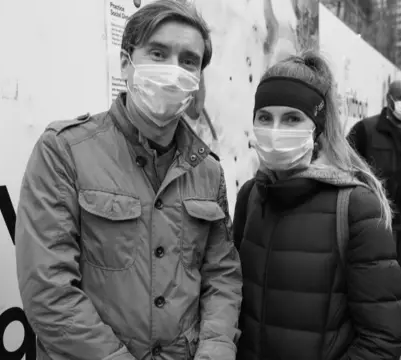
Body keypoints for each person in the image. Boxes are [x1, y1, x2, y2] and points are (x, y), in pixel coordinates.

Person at [14, 2, 242, 359]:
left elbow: (222, 275)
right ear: (126, 62)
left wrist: (215, 348)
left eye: (188, 60)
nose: (173, 70)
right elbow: (48, 290)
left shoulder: (208, 171)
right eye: (157, 53)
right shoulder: (65, 151)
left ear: (198, 78)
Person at [233, 52, 401, 360]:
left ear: (318, 128)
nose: (275, 130)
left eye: (292, 118)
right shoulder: (250, 197)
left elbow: (381, 340)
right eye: (265, 117)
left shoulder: (357, 207)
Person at [348, 80, 401, 283]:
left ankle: (396, 314)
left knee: (400, 281)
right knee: (377, 281)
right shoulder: (366, 129)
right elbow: (345, 166)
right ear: (389, 100)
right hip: (379, 222)